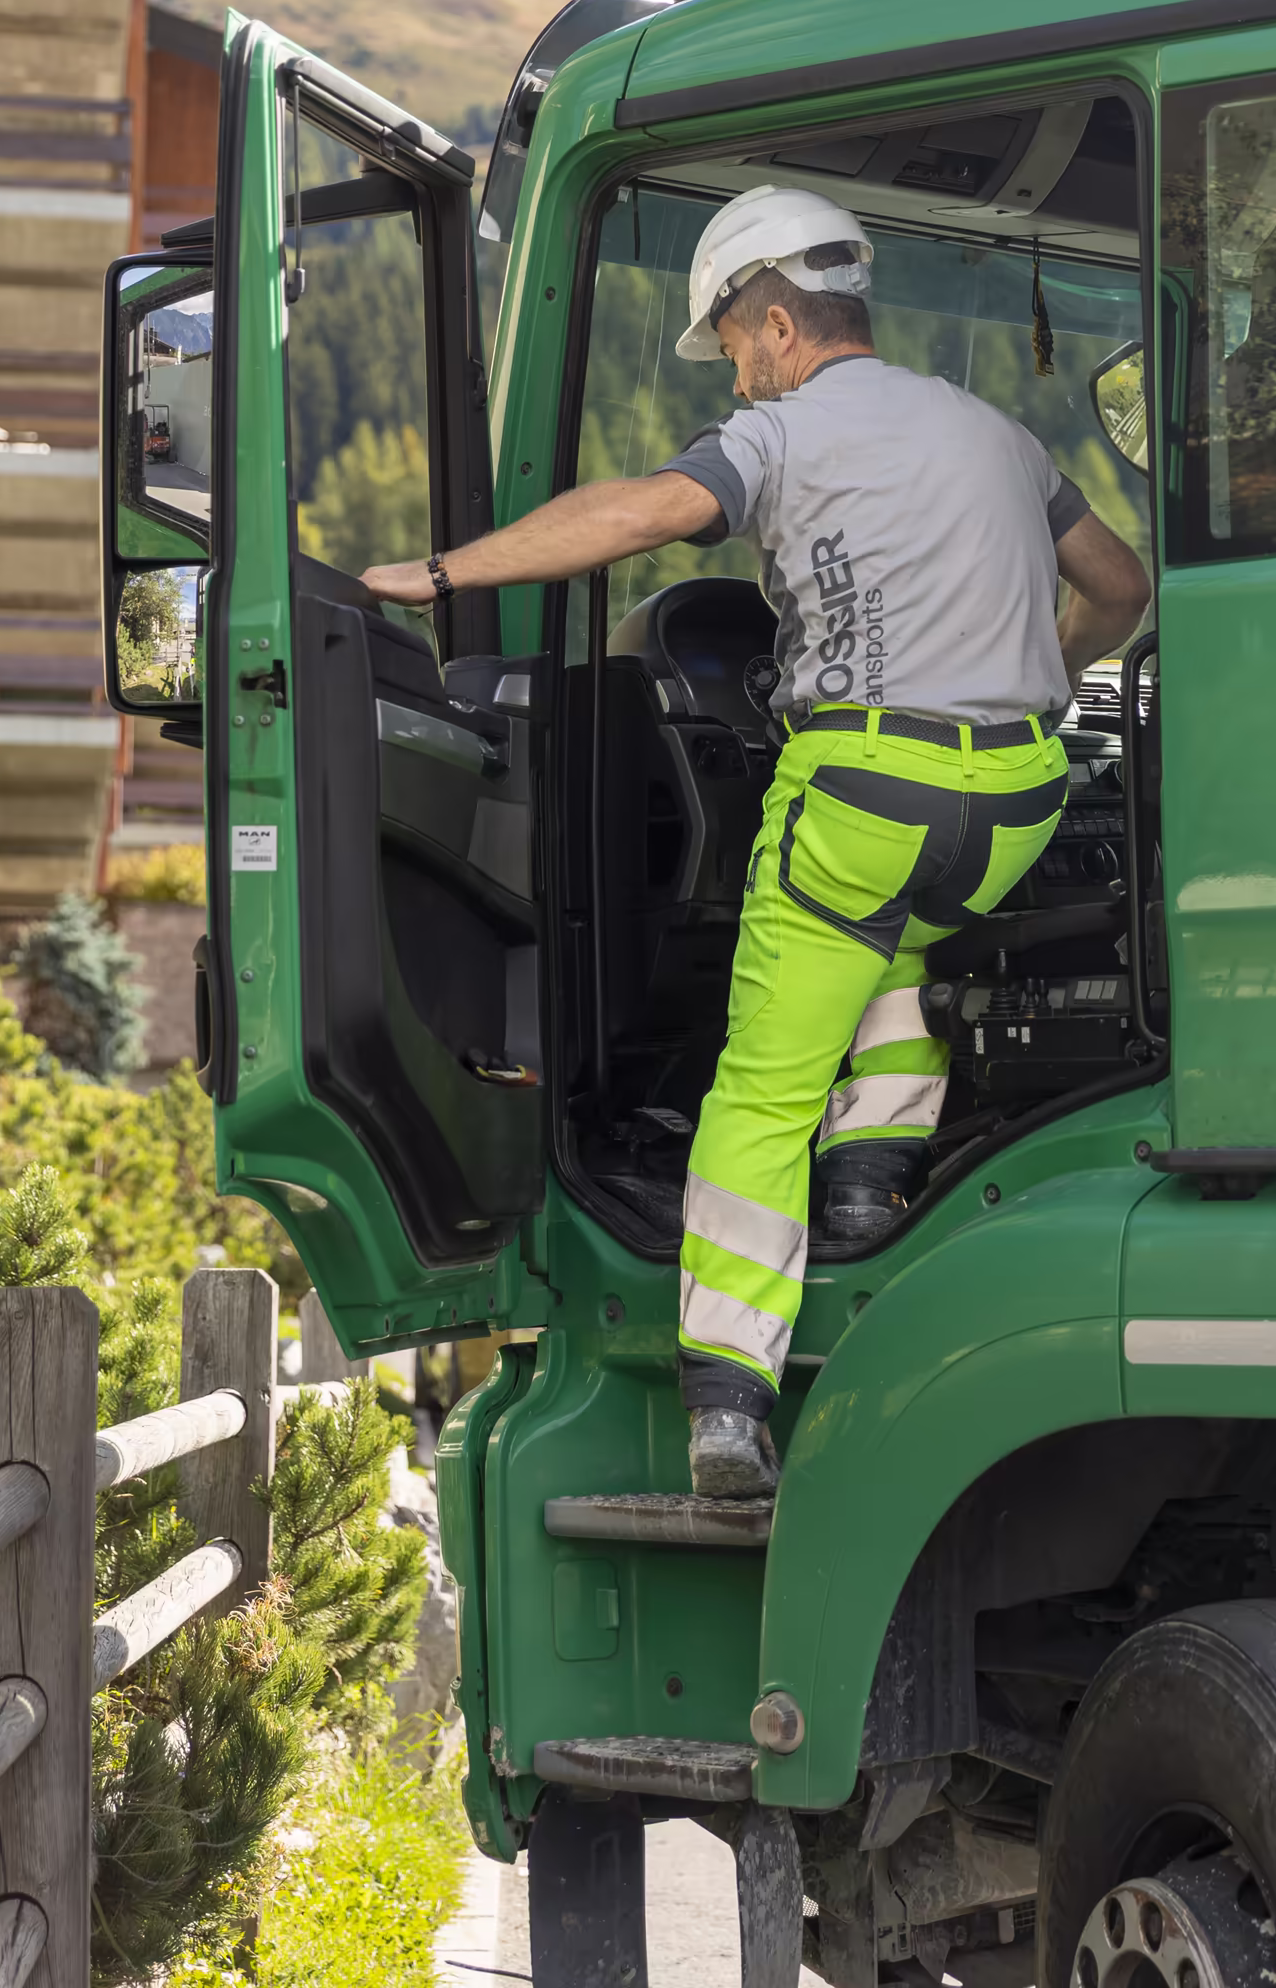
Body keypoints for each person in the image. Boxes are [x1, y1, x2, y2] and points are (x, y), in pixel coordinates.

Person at [361, 185, 1151, 1496]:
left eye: (732, 342)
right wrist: (1037, 673)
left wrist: (440, 576)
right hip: (1014, 805)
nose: (734, 369)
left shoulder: (780, 437)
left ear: (777, 320)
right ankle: (867, 1183)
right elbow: (1120, 587)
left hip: (862, 800)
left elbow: (639, 514)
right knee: (903, 941)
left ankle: (727, 1394)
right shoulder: (1001, 437)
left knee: (764, 1082)